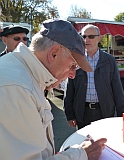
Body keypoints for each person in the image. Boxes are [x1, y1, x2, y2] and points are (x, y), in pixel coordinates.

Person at [0, 19, 107, 159]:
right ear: (54, 53)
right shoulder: (17, 88)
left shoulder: (22, 76)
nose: (73, 75)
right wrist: (82, 154)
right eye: (73, 66)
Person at [64, 24, 124, 130]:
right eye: (83, 37)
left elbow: (117, 89)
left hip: (104, 112)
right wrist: (69, 114)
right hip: (83, 113)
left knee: (106, 143)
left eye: (91, 36)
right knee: (85, 144)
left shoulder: (109, 60)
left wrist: (121, 115)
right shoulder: (76, 60)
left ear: (99, 38)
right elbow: (69, 89)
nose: (86, 39)